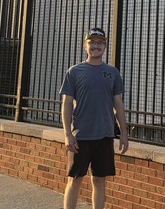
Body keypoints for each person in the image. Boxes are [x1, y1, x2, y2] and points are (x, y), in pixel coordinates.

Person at [60, 28, 129, 209]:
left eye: (100, 43)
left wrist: (123, 133)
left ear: (105, 47)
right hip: (80, 136)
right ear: (85, 46)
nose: (95, 46)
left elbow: (118, 104)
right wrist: (67, 134)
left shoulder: (112, 72)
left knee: (99, 181)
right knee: (74, 180)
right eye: (92, 42)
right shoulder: (74, 72)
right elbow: (67, 103)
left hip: (104, 136)